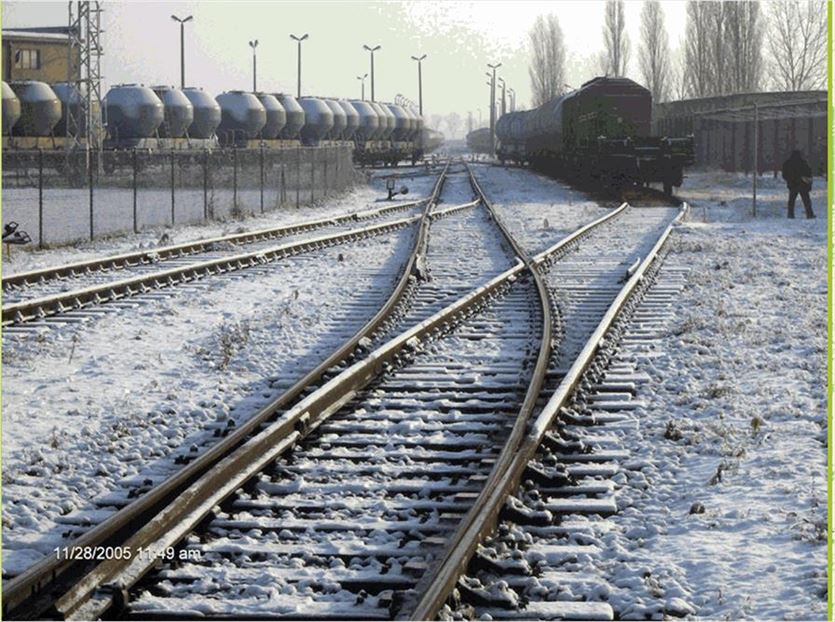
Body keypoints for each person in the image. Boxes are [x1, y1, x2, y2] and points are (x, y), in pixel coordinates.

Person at [781, 150, 815, 219]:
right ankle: (809, 214)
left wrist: (789, 180)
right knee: (806, 200)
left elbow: (784, 174)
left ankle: (790, 214)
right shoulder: (803, 163)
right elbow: (809, 172)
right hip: (802, 184)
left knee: (791, 201)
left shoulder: (787, 163)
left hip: (792, 184)